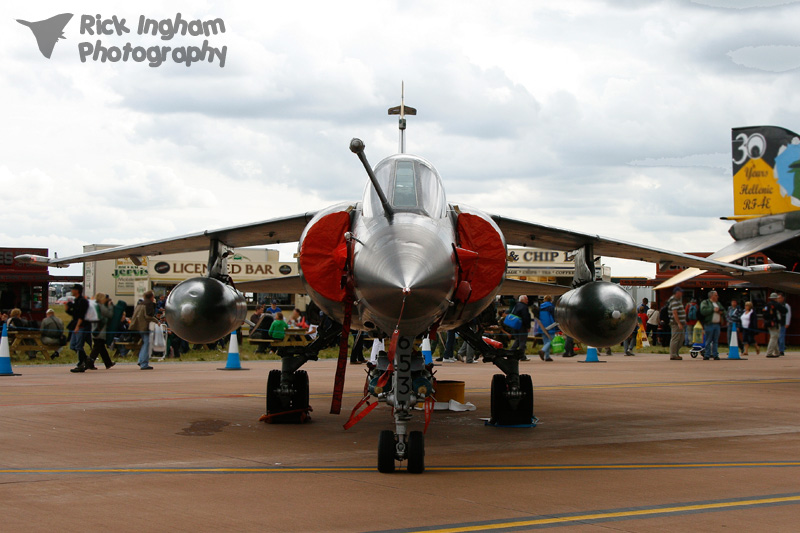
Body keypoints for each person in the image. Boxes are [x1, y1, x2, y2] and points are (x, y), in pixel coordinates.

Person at [66, 284, 93, 372]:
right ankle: (87, 359)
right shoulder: (77, 301)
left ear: (77, 291)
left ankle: (81, 364)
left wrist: (78, 326)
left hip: (82, 326)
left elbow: (81, 315)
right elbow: (75, 315)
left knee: (79, 345)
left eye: (73, 289)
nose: (72, 291)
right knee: (73, 345)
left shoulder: (82, 301)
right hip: (76, 325)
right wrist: (68, 310)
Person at [130, 291, 159, 370]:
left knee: (145, 343)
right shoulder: (149, 304)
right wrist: (157, 321)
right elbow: (148, 316)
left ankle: (141, 360)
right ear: (151, 297)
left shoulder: (141, 303)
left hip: (138, 326)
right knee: (147, 343)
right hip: (144, 326)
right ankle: (143, 363)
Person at [87, 293, 115, 369]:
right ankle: (90, 362)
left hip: (94, 328)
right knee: (98, 346)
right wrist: (110, 306)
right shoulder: (100, 306)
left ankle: (108, 362)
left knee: (100, 346)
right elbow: (109, 314)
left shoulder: (93, 306)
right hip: (100, 329)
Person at [699, 290, 725, 360]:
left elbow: (724, 310)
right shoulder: (705, 302)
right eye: (716, 295)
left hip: (717, 324)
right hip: (709, 324)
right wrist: (713, 309)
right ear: (712, 296)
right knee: (708, 340)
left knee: (716, 341)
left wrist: (721, 311)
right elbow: (703, 311)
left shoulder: (718, 303)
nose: (717, 297)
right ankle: (707, 354)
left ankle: (715, 354)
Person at [764, 292, 787, 358]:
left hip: (768, 323)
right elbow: (785, 310)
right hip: (775, 323)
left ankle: (777, 352)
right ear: (776, 298)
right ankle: (769, 352)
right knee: (774, 337)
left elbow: (764, 313)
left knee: (774, 336)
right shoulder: (777, 304)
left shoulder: (767, 305)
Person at [509, 295, 532, 360]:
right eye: (526, 299)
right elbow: (526, 317)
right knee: (522, 341)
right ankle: (522, 356)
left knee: (517, 340)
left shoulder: (516, 306)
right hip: (522, 326)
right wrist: (528, 326)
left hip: (515, 325)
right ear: (522, 300)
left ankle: (511, 352)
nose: (528, 301)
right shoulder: (524, 307)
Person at [668, 286, 686, 360]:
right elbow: (674, 313)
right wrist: (678, 323)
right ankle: (673, 354)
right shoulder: (674, 301)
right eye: (680, 292)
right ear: (677, 293)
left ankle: (676, 353)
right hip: (676, 324)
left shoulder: (678, 300)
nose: (682, 293)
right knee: (675, 338)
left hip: (680, 323)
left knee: (681, 339)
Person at [538, 296, 556, 362]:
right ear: (551, 300)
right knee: (551, 340)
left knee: (546, 341)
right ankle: (543, 351)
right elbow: (554, 317)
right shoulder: (551, 307)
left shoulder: (540, 307)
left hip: (542, 326)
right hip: (550, 326)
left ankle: (547, 356)